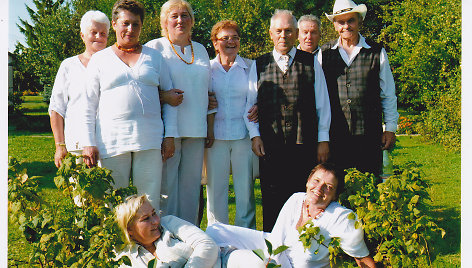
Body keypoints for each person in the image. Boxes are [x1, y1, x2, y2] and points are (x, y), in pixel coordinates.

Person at [81, 0, 177, 210]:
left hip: (150, 140)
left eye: (136, 24)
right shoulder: (100, 60)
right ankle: (118, 244)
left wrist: (169, 136)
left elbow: (171, 100)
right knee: (114, 202)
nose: (130, 29)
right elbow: (88, 104)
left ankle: (148, 243)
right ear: (114, 24)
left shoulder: (155, 57)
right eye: (125, 23)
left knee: (149, 202)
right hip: (111, 141)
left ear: (142, 26)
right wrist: (89, 142)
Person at [247, 10, 331, 232]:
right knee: (272, 199)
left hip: (305, 144)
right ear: (271, 34)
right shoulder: (259, 65)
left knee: (304, 199)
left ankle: (304, 247)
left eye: (288, 31)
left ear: (295, 34)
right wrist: (255, 135)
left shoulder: (311, 63)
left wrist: (323, 139)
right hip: (271, 146)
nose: (283, 35)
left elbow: (323, 104)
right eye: (278, 31)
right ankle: (273, 253)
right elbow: (249, 105)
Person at [206, 163, 376, 267]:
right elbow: (276, 238)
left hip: (294, 266)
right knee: (215, 231)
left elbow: (362, 258)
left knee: (252, 262)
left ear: (335, 196)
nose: (319, 188)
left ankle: (224, 258)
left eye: (328, 187)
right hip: (277, 252)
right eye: (316, 181)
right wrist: (270, 260)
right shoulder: (297, 198)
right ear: (308, 181)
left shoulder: (341, 218)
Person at [145, 0, 212, 225]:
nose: (180, 20)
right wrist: (164, 98)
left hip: (196, 130)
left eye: (185, 15)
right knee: (167, 189)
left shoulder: (201, 49)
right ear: (165, 21)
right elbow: (144, 89)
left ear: (192, 21)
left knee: (191, 189)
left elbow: (207, 89)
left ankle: (190, 238)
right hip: (168, 132)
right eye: (174, 16)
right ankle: (166, 237)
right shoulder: (154, 48)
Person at [319, 0, 399, 175]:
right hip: (335, 137)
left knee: (370, 192)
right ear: (334, 25)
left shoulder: (376, 52)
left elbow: (388, 94)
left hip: (369, 136)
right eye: (341, 22)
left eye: (351, 20)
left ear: (359, 21)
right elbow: (317, 97)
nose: (346, 26)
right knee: (337, 190)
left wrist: (390, 128)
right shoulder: (324, 53)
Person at [205, 20, 256, 229]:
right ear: (215, 43)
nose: (230, 42)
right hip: (215, 137)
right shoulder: (207, 69)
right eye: (224, 38)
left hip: (243, 136)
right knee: (216, 191)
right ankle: (217, 238)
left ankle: (246, 237)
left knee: (245, 190)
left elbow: (257, 97)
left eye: (234, 37)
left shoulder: (250, 67)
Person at [49, 10, 110, 168]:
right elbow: (56, 108)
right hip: (77, 147)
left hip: (110, 146)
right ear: (82, 35)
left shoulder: (114, 66)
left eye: (103, 33)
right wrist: (60, 145)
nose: (98, 37)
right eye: (93, 32)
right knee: (80, 193)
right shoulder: (69, 66)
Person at [114, 194, 219, 267]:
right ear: (130, 229)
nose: (155, 221)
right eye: (146, 219)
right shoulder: (128, 259)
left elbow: (207, 244)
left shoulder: (169, 223)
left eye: (154, 213)